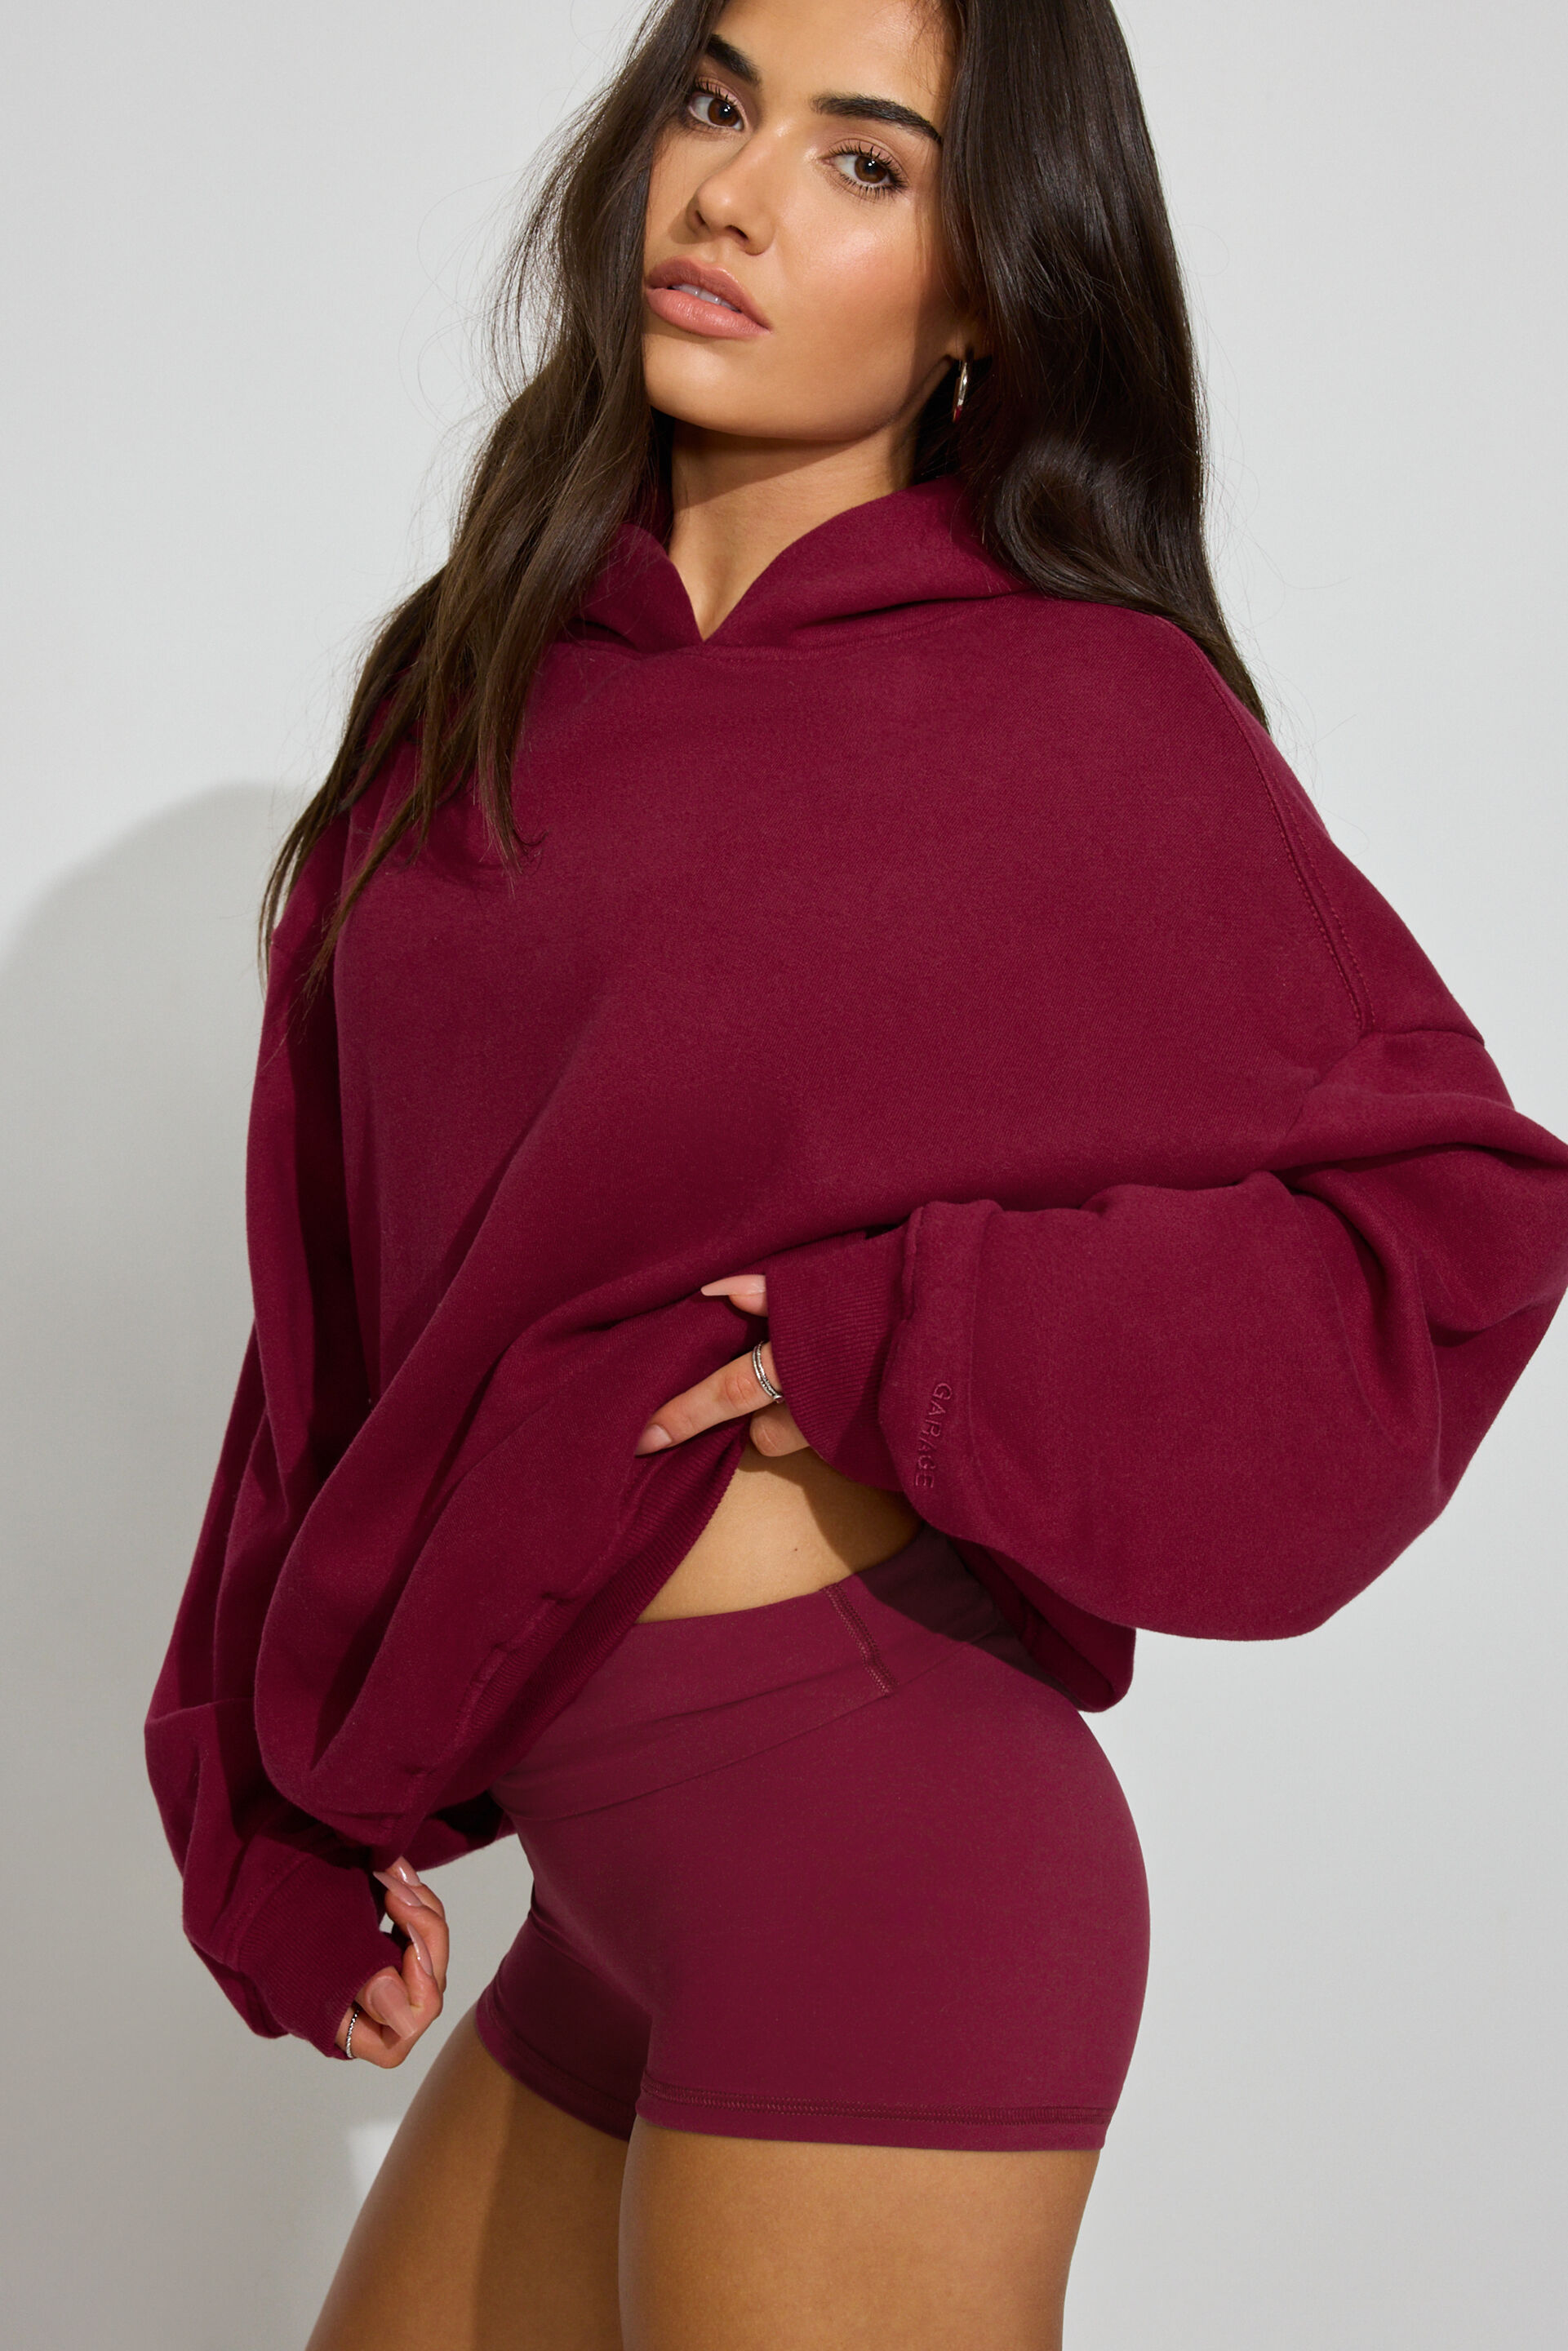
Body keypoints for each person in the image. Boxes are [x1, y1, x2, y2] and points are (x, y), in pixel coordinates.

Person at [144, 1, 1568, 2344]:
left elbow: (1453, 1224)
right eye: (714, 102)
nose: (730, 193)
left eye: (865, 160)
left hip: (879, 1850)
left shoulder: (1082, 712)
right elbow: (344, 1291)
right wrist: (272, 1803)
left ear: (990, 281)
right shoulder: (477, 680)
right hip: (603, 1896)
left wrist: (912, 1336)